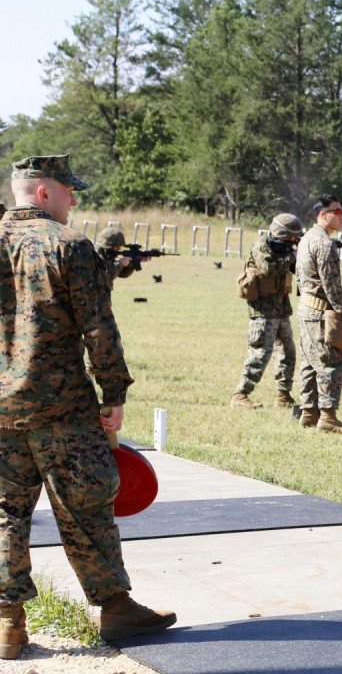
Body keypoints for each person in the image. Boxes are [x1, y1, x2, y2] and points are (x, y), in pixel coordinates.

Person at [0, 155, 175, 660]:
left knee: (5, 514)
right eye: (68, 190)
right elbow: (98, 327)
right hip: (62, 409)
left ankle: (9, 622)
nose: (74, 199)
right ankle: (116, 609)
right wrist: (113, 392)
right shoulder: (69, 246)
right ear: (43, 193)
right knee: (88, 507)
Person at [295, 195, 342, 433]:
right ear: (322, 214)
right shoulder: (325, 244)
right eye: (336, 212)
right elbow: (332, 285)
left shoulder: (307, 238)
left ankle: (309, 413)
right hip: (321, 312)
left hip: (306, 308)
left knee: (309, 362)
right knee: (330, 362)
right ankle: (328, 417)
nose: (341, 216)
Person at [231, 213, 303, 411]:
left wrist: (299, 257)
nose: (293, 242)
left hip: (281, 308)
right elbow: (269, 268)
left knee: (288, 352)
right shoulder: (261, 245)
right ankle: (240, 394)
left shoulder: (286, 249)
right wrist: (292, 256)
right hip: (263, 310)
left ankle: (283, 394)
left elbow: (296, 270)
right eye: (290, 238)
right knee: (261, 352)